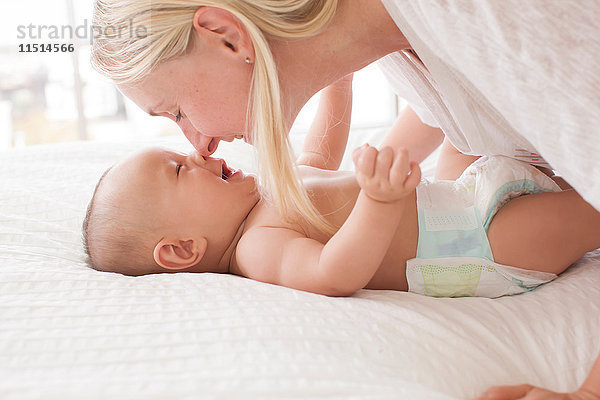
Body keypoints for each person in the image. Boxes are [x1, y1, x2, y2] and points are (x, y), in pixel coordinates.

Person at [90, 0, 600, 396]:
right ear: (182, 248)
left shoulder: (482, 22)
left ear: (227, 37)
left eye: (177, 111)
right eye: (176, 124)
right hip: (475, 245)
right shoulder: (257, 244)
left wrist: (336, 88)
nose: (198, 144)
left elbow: (321, 158)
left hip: (459, 200)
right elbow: (332, 271)